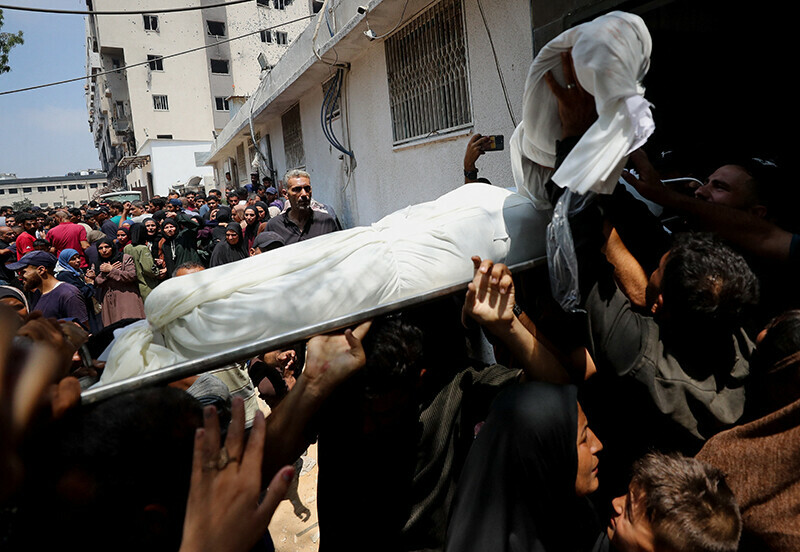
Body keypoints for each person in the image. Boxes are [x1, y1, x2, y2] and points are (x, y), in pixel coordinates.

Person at [7, 251, 88, 325]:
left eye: (23, 272)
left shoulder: (68, 294)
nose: (20, 277)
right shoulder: (37, 294)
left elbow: (82, 331)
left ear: (41, 270)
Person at [265, 169, 339, 245]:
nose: (304, 194)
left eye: (307, 189)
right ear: (285, 194)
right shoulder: (274, 226)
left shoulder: (326, 221)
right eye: (297, 189)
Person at [91, 237, 144, 327]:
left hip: (126, 295)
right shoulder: (97, 264)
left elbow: (131, 275)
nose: (104, 250)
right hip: (108, 300)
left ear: (112, 247)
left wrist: (112, 270)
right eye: (100, 248)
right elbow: (97, 282)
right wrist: (104, 272)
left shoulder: (124, 258)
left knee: (132, 325)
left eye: (107, 247)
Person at [54, 248, 101, 333]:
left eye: (78, 257)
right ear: (65, 261)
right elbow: (79, 293)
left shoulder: (76, 272)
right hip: (79, 311)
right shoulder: (65, 275)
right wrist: (89, 284)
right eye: (73, 259)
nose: (78, 260)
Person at [124, 223, 161, 301]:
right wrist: (157, 272)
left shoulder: (127, 248)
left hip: (133, 286)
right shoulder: (143, 248)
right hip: (146, 285)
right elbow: (148, 269)